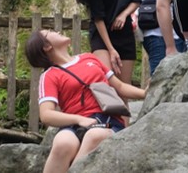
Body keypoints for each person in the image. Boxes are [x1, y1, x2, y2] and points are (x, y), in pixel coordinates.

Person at [26, 29, 146, 173]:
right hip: (74, 124)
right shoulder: (50, 75)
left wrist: (146, 93)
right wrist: (79, 119)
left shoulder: (89, 58)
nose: (57, 31)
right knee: (62, 142)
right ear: (46, 46)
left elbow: (120, 87)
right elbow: (46, 115)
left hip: (107, 121)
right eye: (50, 32)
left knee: (94, 135)